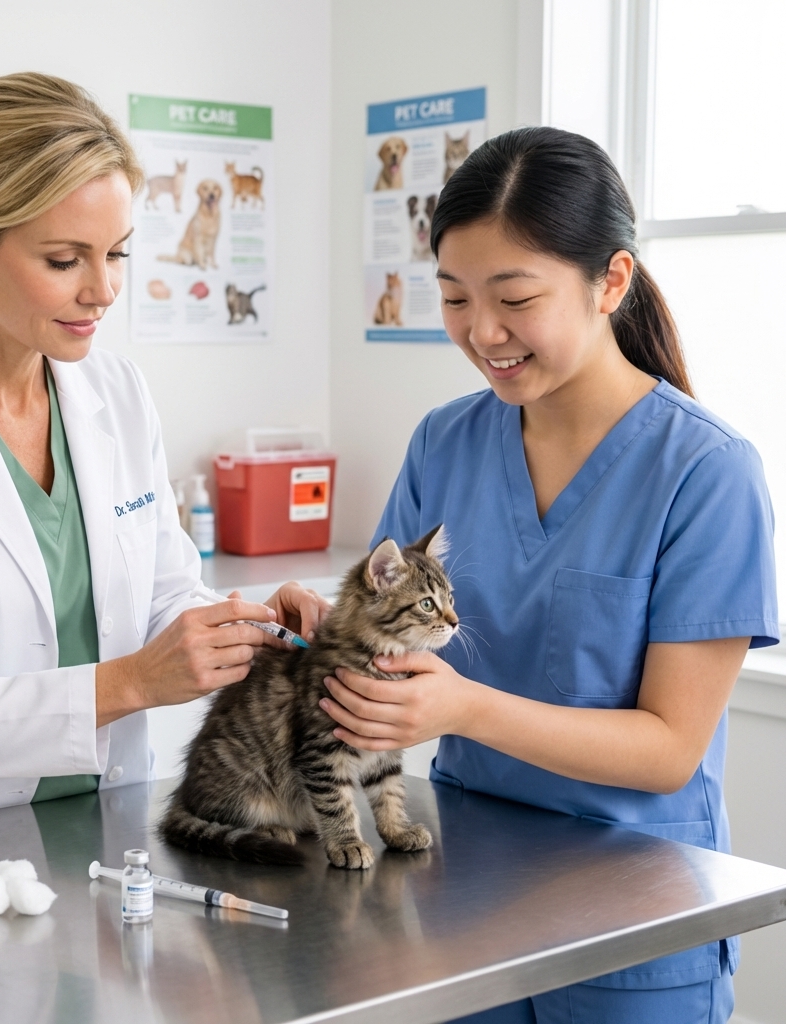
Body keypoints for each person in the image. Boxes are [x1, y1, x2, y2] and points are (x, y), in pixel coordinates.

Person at [0, 73, 327, 1022]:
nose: (104, 289)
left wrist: (238, 622)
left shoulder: (114, 395)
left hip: (97, 845)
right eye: (65, 258)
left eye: (116, 252)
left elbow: (164, 593)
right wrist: (133, 682)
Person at [319, 126, 778, 1023]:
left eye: (514, 298)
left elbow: (669, 749)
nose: (481, 332)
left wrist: (463, 708)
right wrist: (322, 629)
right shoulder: (443, 443)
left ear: (612, 280)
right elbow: (381, 641)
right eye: (453, 298)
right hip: (461, 898)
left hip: (634, 919)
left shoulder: (706, 473)